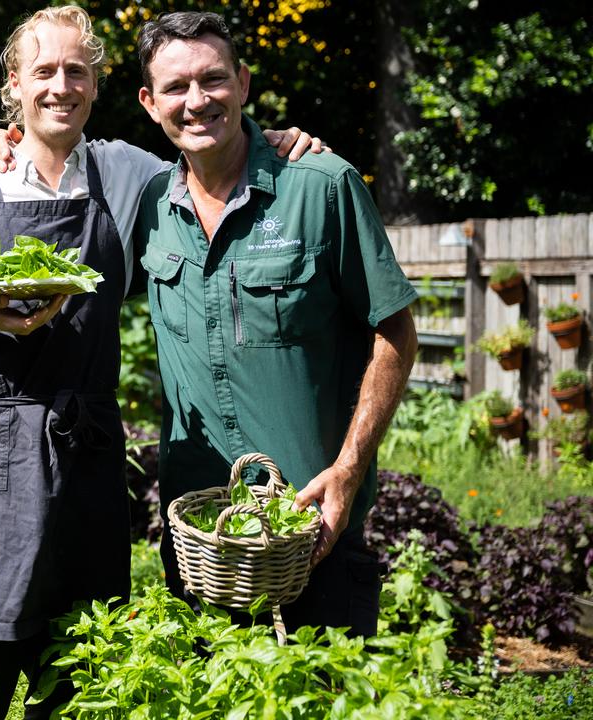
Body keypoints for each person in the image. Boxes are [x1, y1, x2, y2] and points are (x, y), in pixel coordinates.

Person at [0, 7, 323, 719]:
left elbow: (211, 160)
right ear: (14, 85)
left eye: (76, 71)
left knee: (82, 678)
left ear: (96, 85)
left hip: (87, 457)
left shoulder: (129, 174)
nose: (60, 86)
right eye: (43, 72)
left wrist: (269, 141)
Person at [131, 11, 418, 636]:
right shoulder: (150, 206)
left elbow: (396, 332)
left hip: (312, 531)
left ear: (245, 82)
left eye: (214, 80)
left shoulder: (320, 186)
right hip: (199, 538)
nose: (197, 101)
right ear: (150, 103)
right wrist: (9, 141)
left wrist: (347, 471)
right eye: (177, 88)